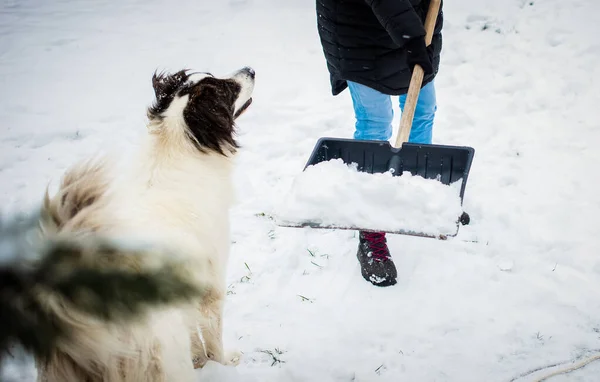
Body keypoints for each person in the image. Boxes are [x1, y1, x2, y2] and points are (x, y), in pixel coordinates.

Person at [316, 0, 443, 287]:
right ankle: (370, 228)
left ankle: (416, 189)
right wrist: (411, 40)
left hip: (416, 25)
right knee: (375, 121)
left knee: (423, 109)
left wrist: (416, 38)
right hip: (360, 34)